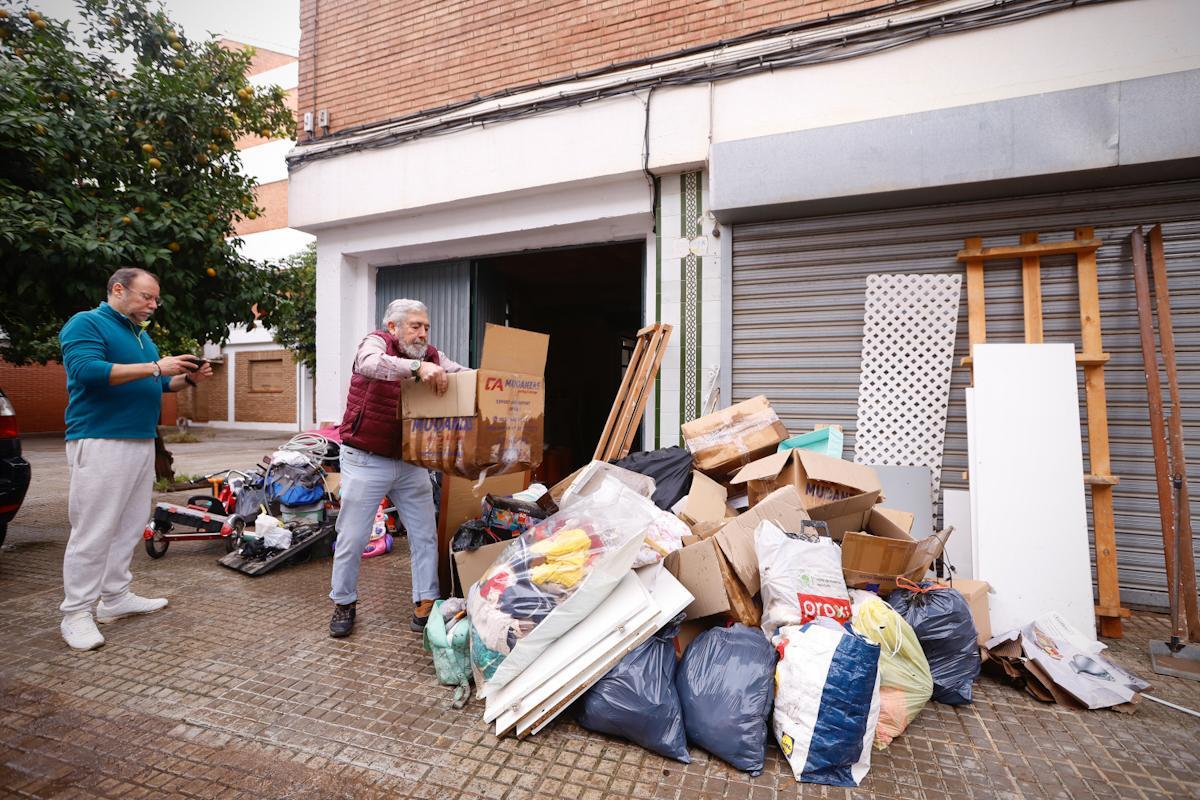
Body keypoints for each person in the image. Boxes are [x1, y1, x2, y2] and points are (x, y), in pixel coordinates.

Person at [56, 267, 214, 650]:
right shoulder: (86, 323)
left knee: (128, 525)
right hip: (100, 439)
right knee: (93, 528)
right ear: (118, 289)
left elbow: (159, 384)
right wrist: (158, 366)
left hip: (140, 440)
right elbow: (87, 371)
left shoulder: (141, 337)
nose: (153, 305)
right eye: (147, 296)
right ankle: (76, 613)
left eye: (155, 298)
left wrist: (188, 378)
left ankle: (114, 598)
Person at [329, 298, 465, 637]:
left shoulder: (432, 356)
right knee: (352, 537)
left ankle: (425, 603)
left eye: (426, 327)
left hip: (410, 461)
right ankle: (344, 602)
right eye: (415, 326)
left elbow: (463, 375)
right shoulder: (376, 343)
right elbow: (370, 364)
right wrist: (418, 370)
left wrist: (496, 384)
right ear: (394, 327)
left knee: (423, 534)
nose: (422, 334)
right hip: (365, 458)